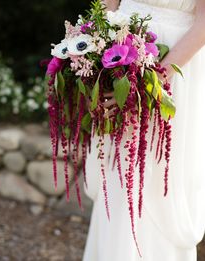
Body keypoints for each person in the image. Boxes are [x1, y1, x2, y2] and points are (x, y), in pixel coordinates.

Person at [82, 0, 205, 260]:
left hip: (174, 64)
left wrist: (152, 81)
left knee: (158, 175)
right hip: (119, 52)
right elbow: (106, 4)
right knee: (119, 171)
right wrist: (95, 55)